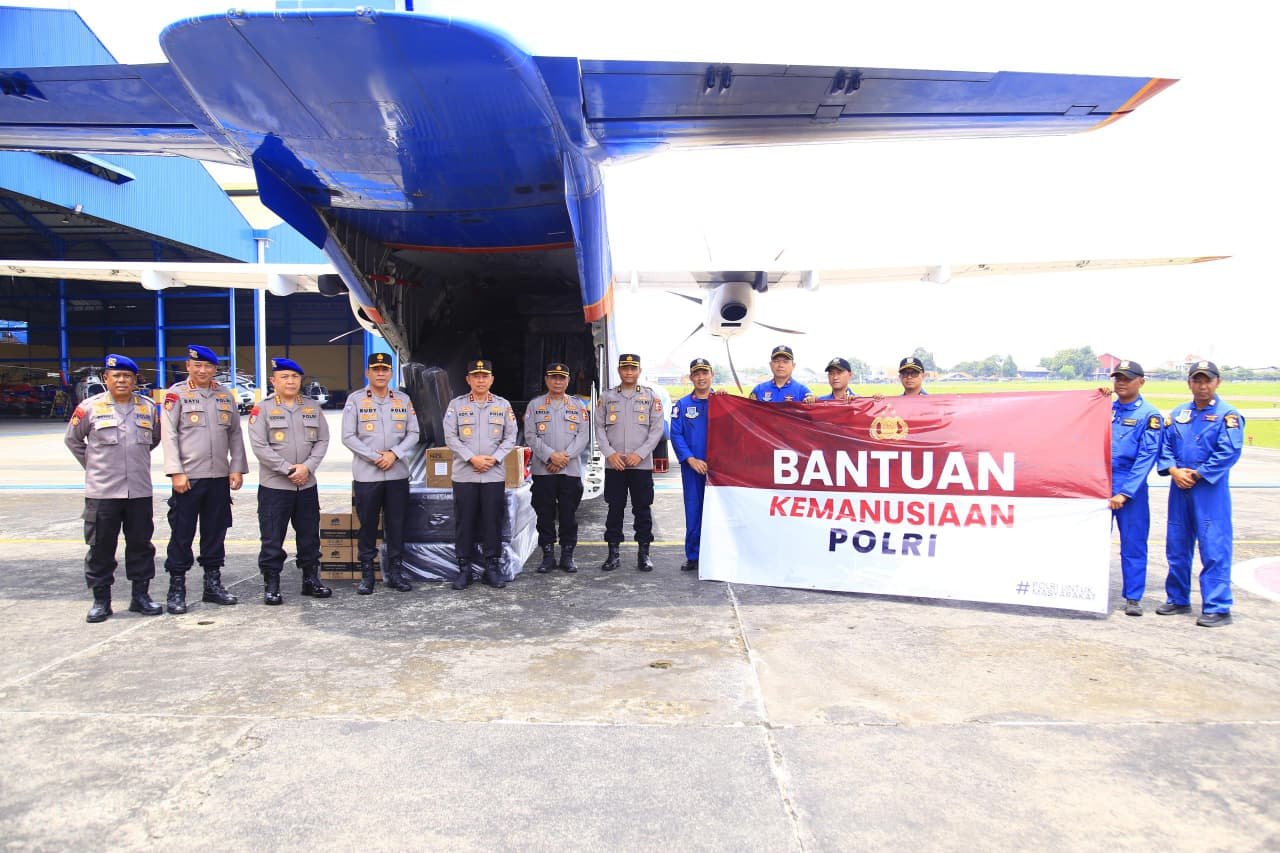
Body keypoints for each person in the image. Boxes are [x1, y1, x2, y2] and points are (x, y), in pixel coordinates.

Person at [65, 354, 163, 623]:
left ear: (135, 380)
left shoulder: (148, 408)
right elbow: (73, 440)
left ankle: (140, 596)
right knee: (100, 547)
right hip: (102, 492)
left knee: (141, 546)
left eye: (127, 376)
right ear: (106, 379)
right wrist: (95, 465)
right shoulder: (89, 407)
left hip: (139, 491)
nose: (121, 380)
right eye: (116, 376)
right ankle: (101, 601)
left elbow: (154, 439)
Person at [1156, 360, 1245, 627]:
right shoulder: (1178, 414)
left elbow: (1228, 452)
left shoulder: (1228, 416)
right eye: (1197, 380)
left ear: (1218, 382)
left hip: (1209, 490)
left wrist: (1197, 474)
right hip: (1179, 487)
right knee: (1177, 545)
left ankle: (1218, 606)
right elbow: (1165, 446)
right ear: (1189, 383)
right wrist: (1174, 471)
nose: (1202, 386)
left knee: (1214, 547)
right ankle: (1178, 598)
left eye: (1208, 380)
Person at [161, 345, 248, 614]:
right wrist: (175, 471)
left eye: (208, 366)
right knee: (182, 534)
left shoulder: (224, 395)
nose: (202, 370)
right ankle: (177, 588)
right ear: (188, 366)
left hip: (218, 477)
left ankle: (213, 585)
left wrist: (236, 467)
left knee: (215, 532)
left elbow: (235, 434)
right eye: (197, 365)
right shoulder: (176, 394)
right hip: (188, 478)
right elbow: (169, 435)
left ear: (214, 369)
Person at [248, 357, 331, 605]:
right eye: (284, 377)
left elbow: (323, 440)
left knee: (309, 536)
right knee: (272, 538)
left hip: (306, 484)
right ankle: (272, 584)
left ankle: (310, 579)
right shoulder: (262, 409)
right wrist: (288, 469)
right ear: (273, 381)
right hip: (275, 486)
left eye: (295, 377)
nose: (291, 381)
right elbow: (260, 446)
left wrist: (307, 467)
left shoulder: (312, 407)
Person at [342, 351, 419, 595]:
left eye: (385, 369)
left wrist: (393, 454)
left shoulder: (403, 400)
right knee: (367, 526)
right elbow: (348, 436)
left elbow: (414, 433)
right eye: (376, 369)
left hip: (397, 474)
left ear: (391, 373)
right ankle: (367, 575)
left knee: (397, 524)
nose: (380, 373)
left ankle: (395, 573)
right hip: (368, 475)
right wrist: (375, 457)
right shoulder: (355, 400)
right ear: (368, 372)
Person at [443, 359, 518, 589]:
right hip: (465, 474)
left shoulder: (503, 405)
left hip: (493, 474)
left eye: (485, 376)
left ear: (492, 379)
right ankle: (464, 569)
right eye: (476, 376)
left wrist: (495, 458)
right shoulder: (456, 405)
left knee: (492, 522)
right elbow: (450, 436)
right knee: (464, 521)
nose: (481, 380)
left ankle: (491, 568)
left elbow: (511, 436)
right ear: (468, 379)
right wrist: (471, 458)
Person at [596, 353, 665, 571]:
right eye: (624, 368)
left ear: (639, 371)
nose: (628, 372)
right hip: (614, 464)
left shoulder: (650, 397)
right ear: (619, 370)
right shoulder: (606, 397)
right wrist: (610, 453)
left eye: (633, 368)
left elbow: (657, 430)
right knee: (614, 509)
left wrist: (640, 454)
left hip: (640, 465)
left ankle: (644, 554)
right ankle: (613, 554)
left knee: (642, 509)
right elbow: (599, 428)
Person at [1108, 360, 1163, 617]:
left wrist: (1125, 492)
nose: (1121, 382)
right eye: (1117, 378)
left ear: (1141, 381)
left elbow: (1146, 458)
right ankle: (1090, 590)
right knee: (1093, 541)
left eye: (1127, 378)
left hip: (1131, 487)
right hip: (1100, 483)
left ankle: (1133, 597)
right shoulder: (1104, 409)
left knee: (1133, 543)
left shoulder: (1149, 415)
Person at [524, 362, 590, 573]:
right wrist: (551, 456)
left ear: (568, 381)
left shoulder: (578, 406)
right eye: (553, 377)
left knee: (568, 515)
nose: (557, 381)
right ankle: (548, 556)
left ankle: (567, 556)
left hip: (570, 471)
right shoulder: (535, 405)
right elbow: (530, 436)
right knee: (544, 514)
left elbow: (583, 436)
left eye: (562, 378)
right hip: (543, 471)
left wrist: (564, 458)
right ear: (546, 380)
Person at [670, 357, 715, 572]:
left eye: (705, 373)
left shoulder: (722, 401)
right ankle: (694, 555)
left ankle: (716, 555)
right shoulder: (682, 405)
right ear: (691, 378)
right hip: (692, 467)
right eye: (697, 374)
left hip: (718, 469)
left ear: (712, 375)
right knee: (694, 510)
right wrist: (690, 459)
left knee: (717, 511)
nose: (701, 377)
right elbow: (676, 434)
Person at [749, 345, 815, 403]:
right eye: (776, 361)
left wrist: (810, 400)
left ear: (793, 365)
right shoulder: (758, 390)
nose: (780, 365)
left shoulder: (802, 391)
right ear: (770, 365)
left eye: (785, 361)